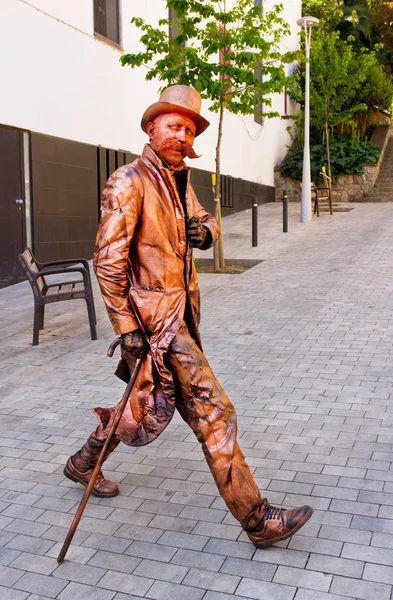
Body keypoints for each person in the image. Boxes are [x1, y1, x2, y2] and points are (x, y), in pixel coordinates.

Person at [63, 85, 313, 548]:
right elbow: (108, 261)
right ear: (152, 128)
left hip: (179, 316)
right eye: (173, 125)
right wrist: (127, 327)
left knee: (140, 404)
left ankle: (82, 461)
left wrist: (206, 232)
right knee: (215, 411)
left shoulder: (179, 179)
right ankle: (257, 520)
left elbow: (206, 219)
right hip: (156, 324)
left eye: (189, 128)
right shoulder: (128, 181)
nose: (182, 134)